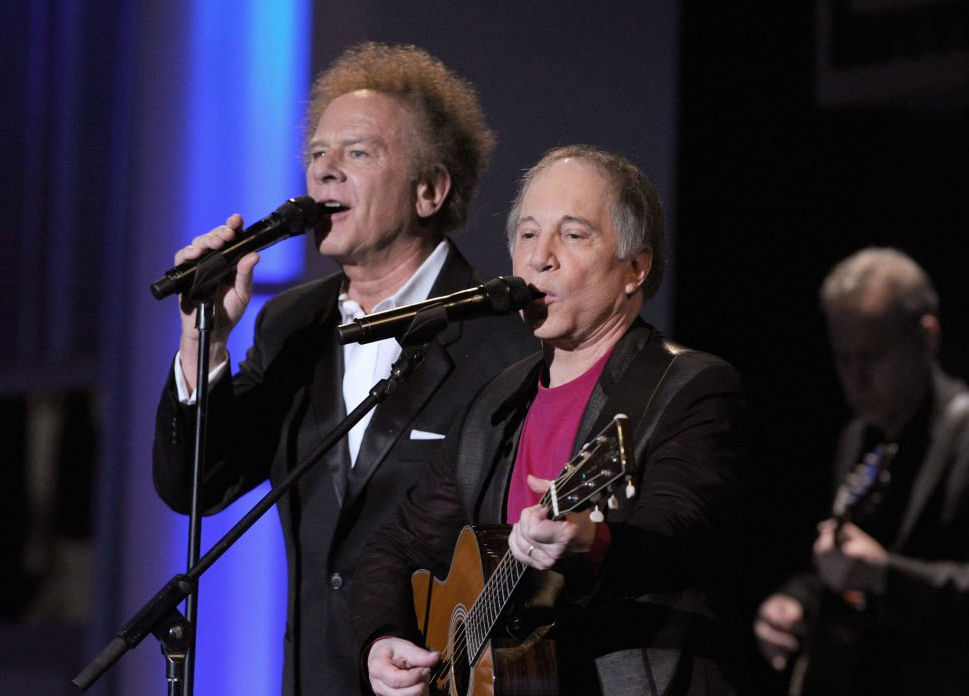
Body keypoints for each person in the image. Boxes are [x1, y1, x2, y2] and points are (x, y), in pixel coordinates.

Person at [151, 43, 538, 696]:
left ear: (429, 190)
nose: (324, 173)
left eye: (357, 153)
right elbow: (199, 484)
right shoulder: (291, 325)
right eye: (316, 155)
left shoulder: (502, 338)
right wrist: (202, 340)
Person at [353, 145, 750, 695]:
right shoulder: (496, 405)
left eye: (574, 234)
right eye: (528, 234)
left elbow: (682, 532)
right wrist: (382, 638)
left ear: (636, 267)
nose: (541, 258)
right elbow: (395, 545)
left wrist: (595, 540)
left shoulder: (689, 387)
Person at [753, 247, 969, 695]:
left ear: (926, 337)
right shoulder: (858, 437)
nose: (855, 377)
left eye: (872, 356)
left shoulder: (963, 434)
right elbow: (843, 565)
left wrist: (887, 574)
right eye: (843, 358)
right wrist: (797, 601)